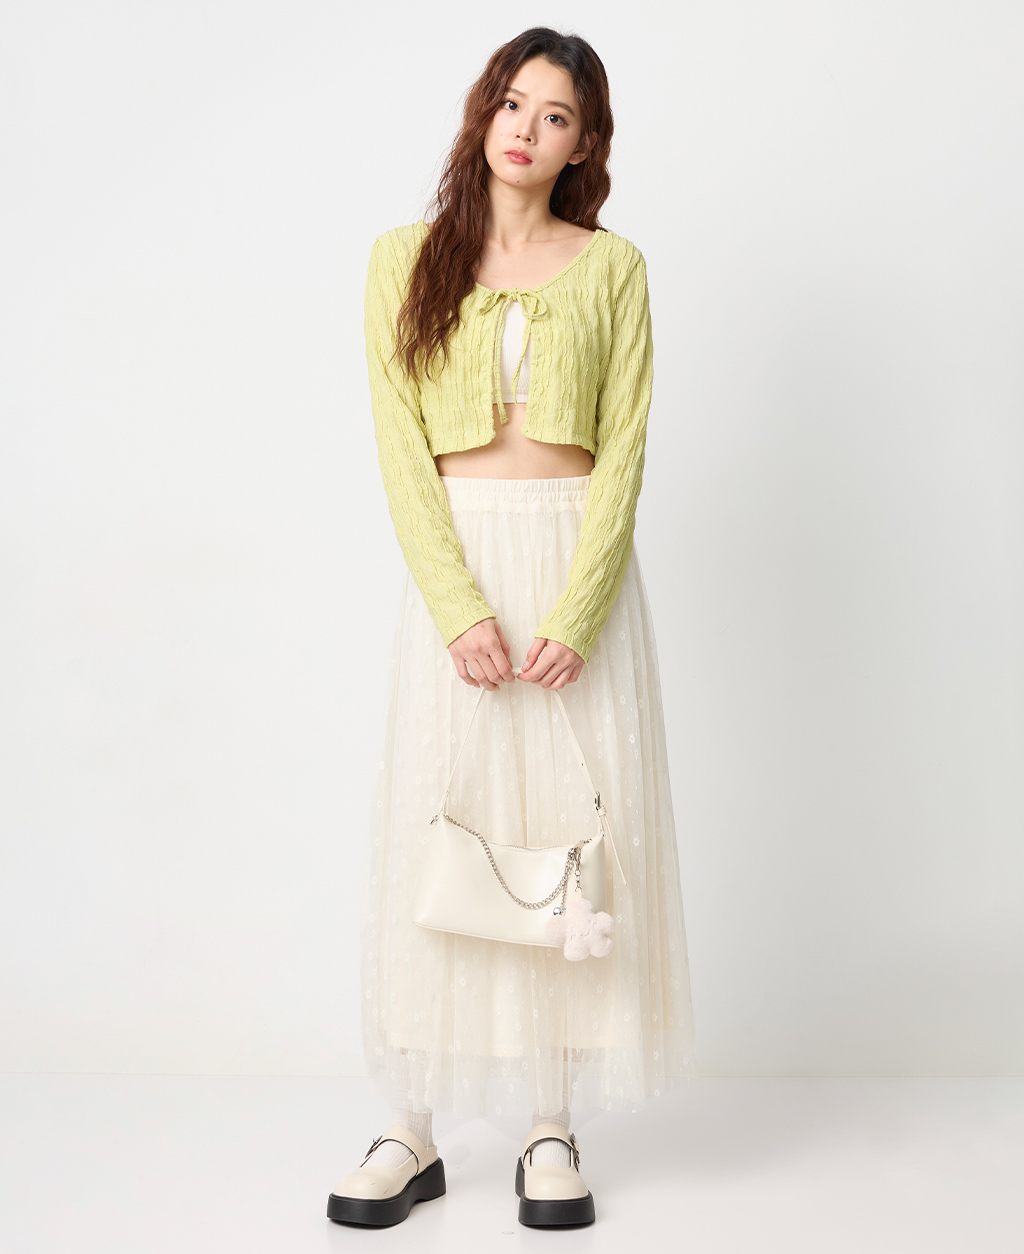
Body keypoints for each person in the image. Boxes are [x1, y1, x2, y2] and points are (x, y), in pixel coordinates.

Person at [327, 26, 697, 1229]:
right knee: (436, 825)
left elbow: (624, 449)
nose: (525, 129)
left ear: (584, 144)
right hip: (462, 566)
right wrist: (457, 606)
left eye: (554, 115)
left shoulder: (614, 267)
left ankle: (549, 1120)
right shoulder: (404, 258)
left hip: (575, 565)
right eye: (511, 103)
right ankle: (411, 1125)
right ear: (483, 111)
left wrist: (580, 610)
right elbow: (400, 450)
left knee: (568, 839)